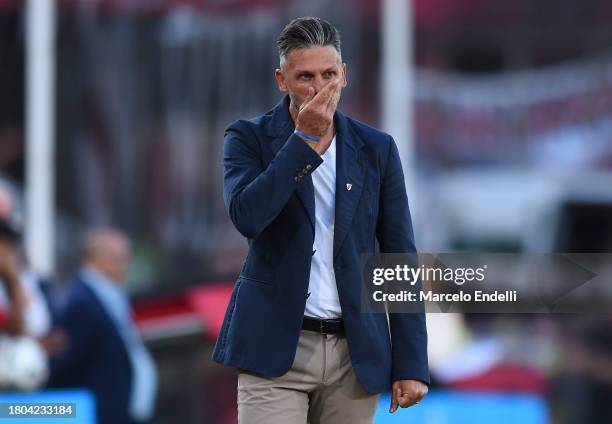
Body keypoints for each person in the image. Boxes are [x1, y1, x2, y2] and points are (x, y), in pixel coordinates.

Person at [213, 17, 429, 423]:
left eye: (329, 74)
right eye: (305, 77)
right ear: (282, 80)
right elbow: (248, 217)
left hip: (355, 353)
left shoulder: (376, 149)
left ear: (344, 75)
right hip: (275, 350)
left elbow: (399, 255)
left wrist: (412, 361)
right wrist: (303, 142)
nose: (319, 88)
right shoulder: (247, 138)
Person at [48, 228, 157, 424]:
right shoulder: (81, 301)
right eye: (119, 259)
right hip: (98, 414)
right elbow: (66, 365)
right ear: (96, 260)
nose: (126, 266)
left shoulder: (110, 296)